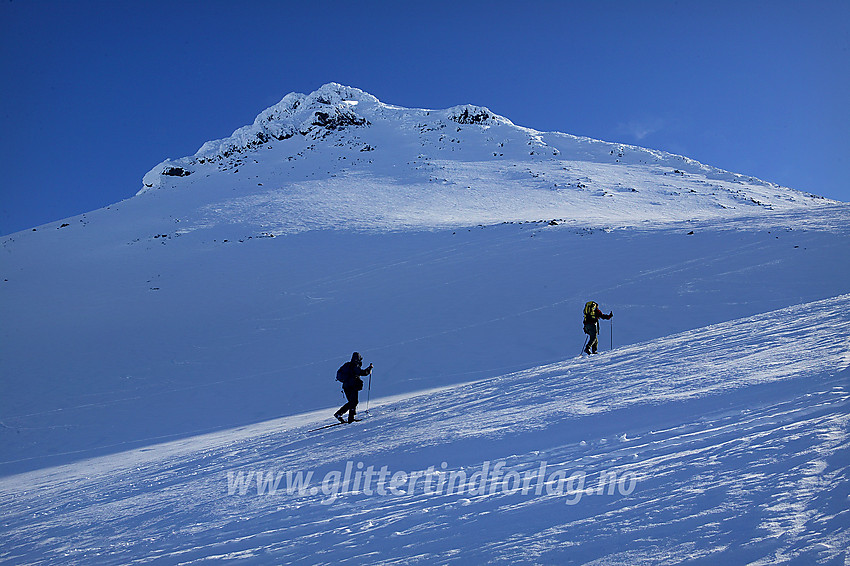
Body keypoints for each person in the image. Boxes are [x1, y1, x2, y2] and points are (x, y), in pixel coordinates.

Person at [334, 352, 373, 423]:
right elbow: (362, 373)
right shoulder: (355, 365)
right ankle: (350, 418)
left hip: (346, 386)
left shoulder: (347, 365)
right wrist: (369, 369)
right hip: (353, 386)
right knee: (354, 402)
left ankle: (339, 414)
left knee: (352, 402)